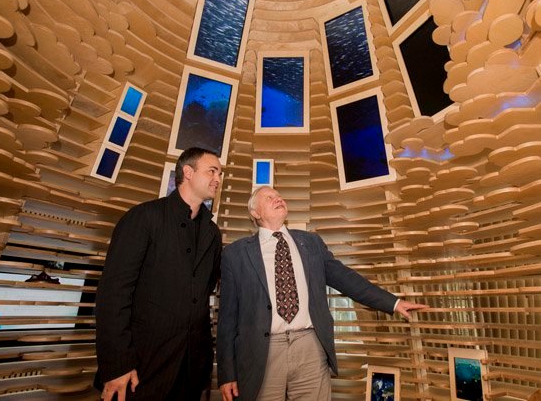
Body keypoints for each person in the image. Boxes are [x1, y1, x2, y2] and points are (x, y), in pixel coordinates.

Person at [217, 186, 428, 401]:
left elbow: (345, 278)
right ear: (255, 212)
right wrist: (227, 374)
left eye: (279, 195)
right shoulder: (235, 254)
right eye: (269, 197)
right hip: (261, 352)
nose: (278, 198)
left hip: (310, 345)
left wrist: (393, 302)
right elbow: (227, 318)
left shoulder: (311, 242)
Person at [95, 147, 223, 401]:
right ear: (188, 172)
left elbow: (204, 289)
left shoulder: (213, 233)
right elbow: (113, 294)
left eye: (220, 173)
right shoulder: (144, 217)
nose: (218, 179)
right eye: (212, 171)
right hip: (140, 368)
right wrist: (117, 364)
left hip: (190, 370)